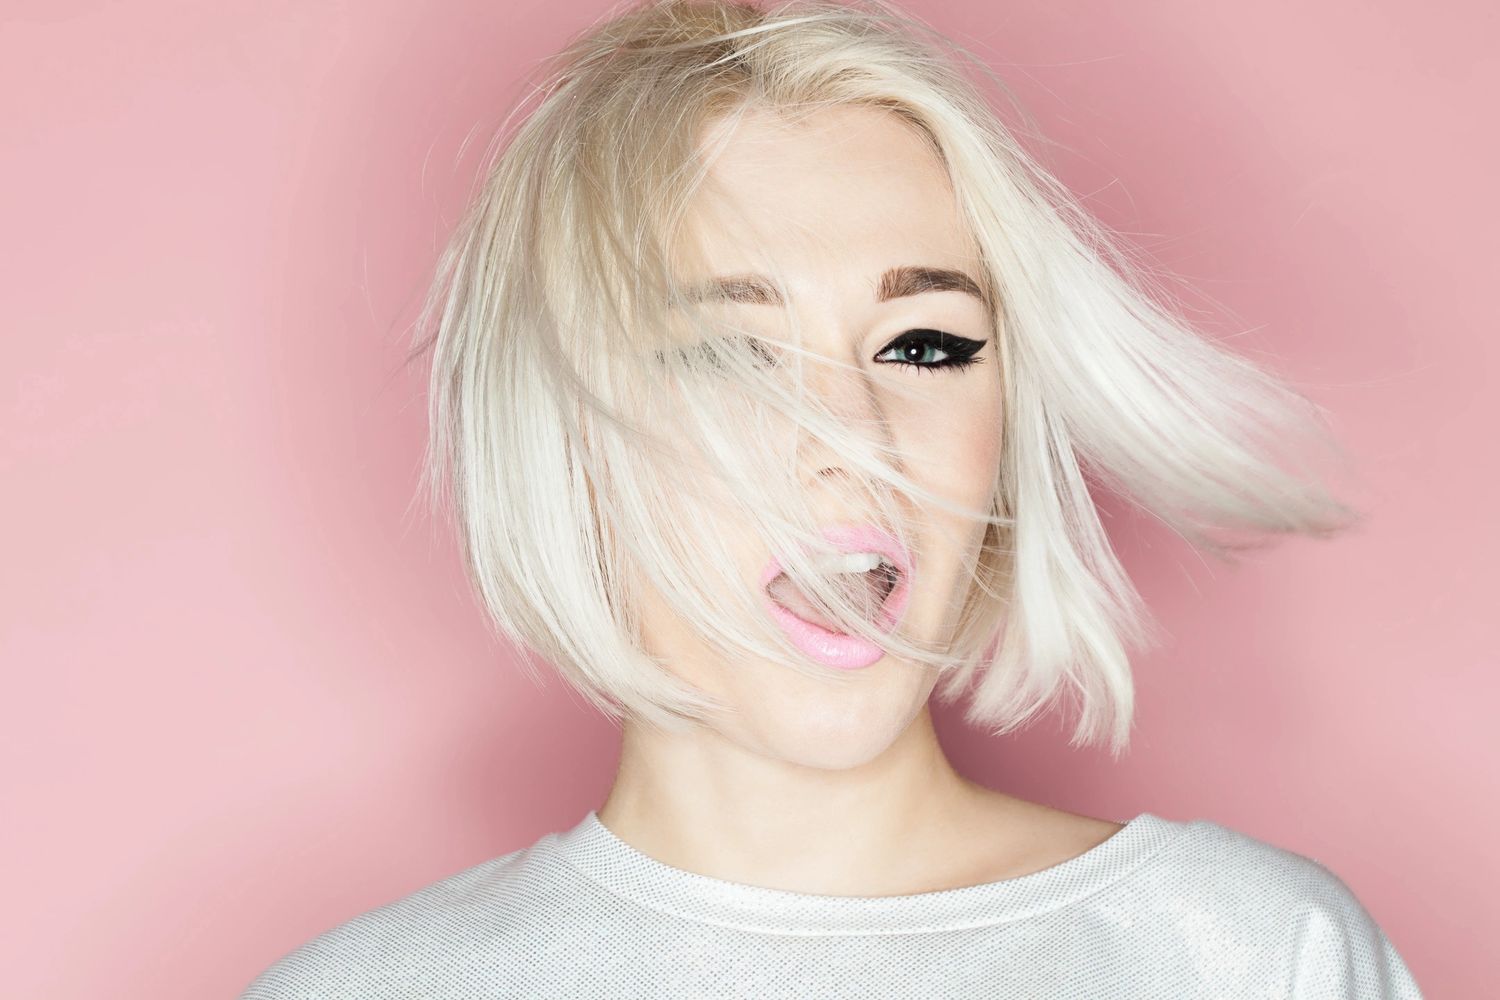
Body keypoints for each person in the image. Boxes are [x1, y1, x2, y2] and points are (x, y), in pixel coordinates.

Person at [240, 0, 1423, 996]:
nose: (851, 439)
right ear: (565, 432)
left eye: (923, 346)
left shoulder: (1256, 959)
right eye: (731, 355)